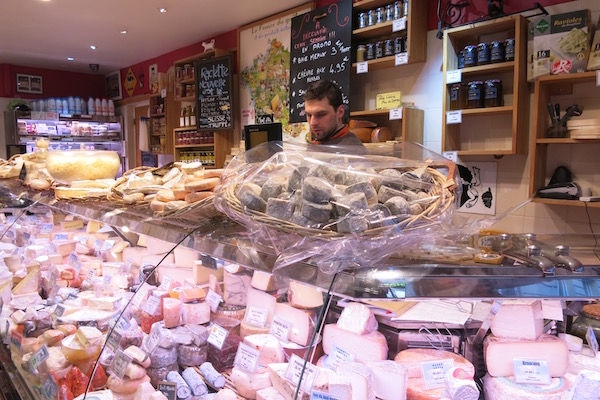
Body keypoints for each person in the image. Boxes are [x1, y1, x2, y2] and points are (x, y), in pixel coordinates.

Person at [304, 80, 364, 146]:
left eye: (321, 114)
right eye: (309, 115)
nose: (312, 123)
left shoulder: (353, 151)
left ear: (340, 112)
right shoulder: (315, 144)